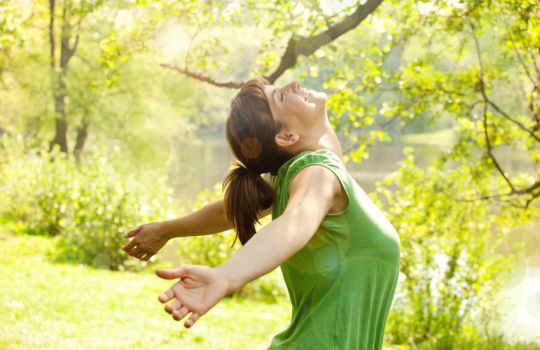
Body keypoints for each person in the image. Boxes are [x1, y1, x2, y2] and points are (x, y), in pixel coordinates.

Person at [122, 77, 401, 349]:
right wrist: (225, 276)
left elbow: (226, 212)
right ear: (286, 136)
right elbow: (295, 223)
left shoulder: (292, 176)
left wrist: (168, 229)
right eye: (280, 95)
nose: (293, 84)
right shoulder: (317, 171)